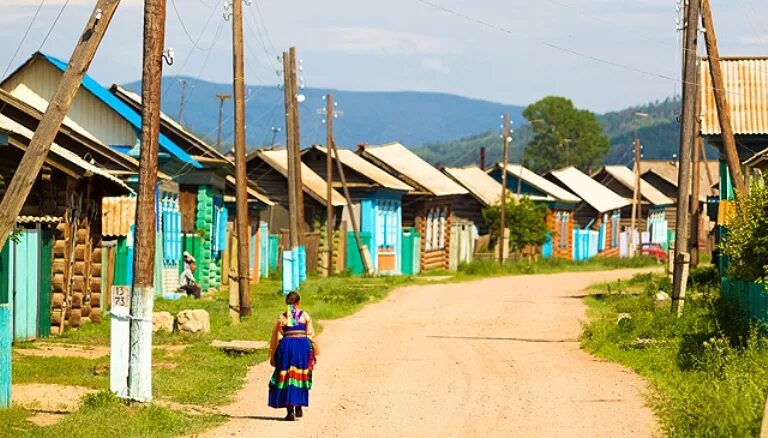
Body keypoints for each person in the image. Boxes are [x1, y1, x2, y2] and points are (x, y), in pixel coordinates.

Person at [268, 291, 315, 421]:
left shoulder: (282, 318)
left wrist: (274, 354)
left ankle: (290, 412)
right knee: (300, 375)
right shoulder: (305, 316)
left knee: (287, 376)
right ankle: (299, 404)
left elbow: (277, 338)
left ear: (286, 303)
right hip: (302, 348)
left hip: (287, 348)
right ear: (298, 303)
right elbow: (310, 334)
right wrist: (311, 351)